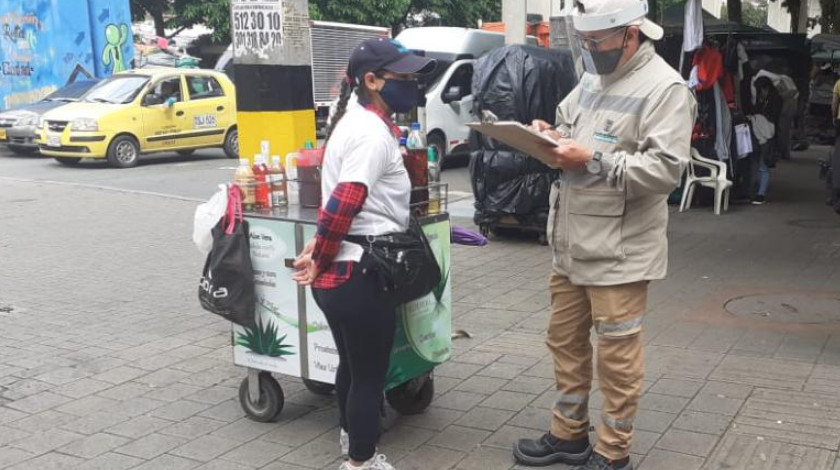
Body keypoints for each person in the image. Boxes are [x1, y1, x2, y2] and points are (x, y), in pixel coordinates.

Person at [512, 1, 696, 469]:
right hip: (571, 244)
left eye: (596, 41)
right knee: (565, 343)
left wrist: (592, 160)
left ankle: (613, 452)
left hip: (620, 254)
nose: (589, 50)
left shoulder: (666, 89)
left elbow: (665, 171)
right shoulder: (593, 77)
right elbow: (570, 127)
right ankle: (568, 434)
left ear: (630, 34)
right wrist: (549, 135)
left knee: (617, 358)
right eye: (584, 41)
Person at [292, 38, 435, 470]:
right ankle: (361, 461)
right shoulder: (371, 134)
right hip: (363, 274)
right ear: (372, 81)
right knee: (370, 377)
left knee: (353, 368)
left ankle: (350, 437)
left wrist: (320, 247)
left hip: (342, 277)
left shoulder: (354, 122)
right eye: (404, 76)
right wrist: (321, 254)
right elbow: (346, 200)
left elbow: (338, 201)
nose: (413, 84)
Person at [749, 76, 782, 205]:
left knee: (763, 165)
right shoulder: (765, 99)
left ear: (765, 88)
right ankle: (759, 192)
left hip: (767, 137)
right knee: (761, 165)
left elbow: (773, 117)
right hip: (763, 136)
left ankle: (761, 194)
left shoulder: (775, 100)